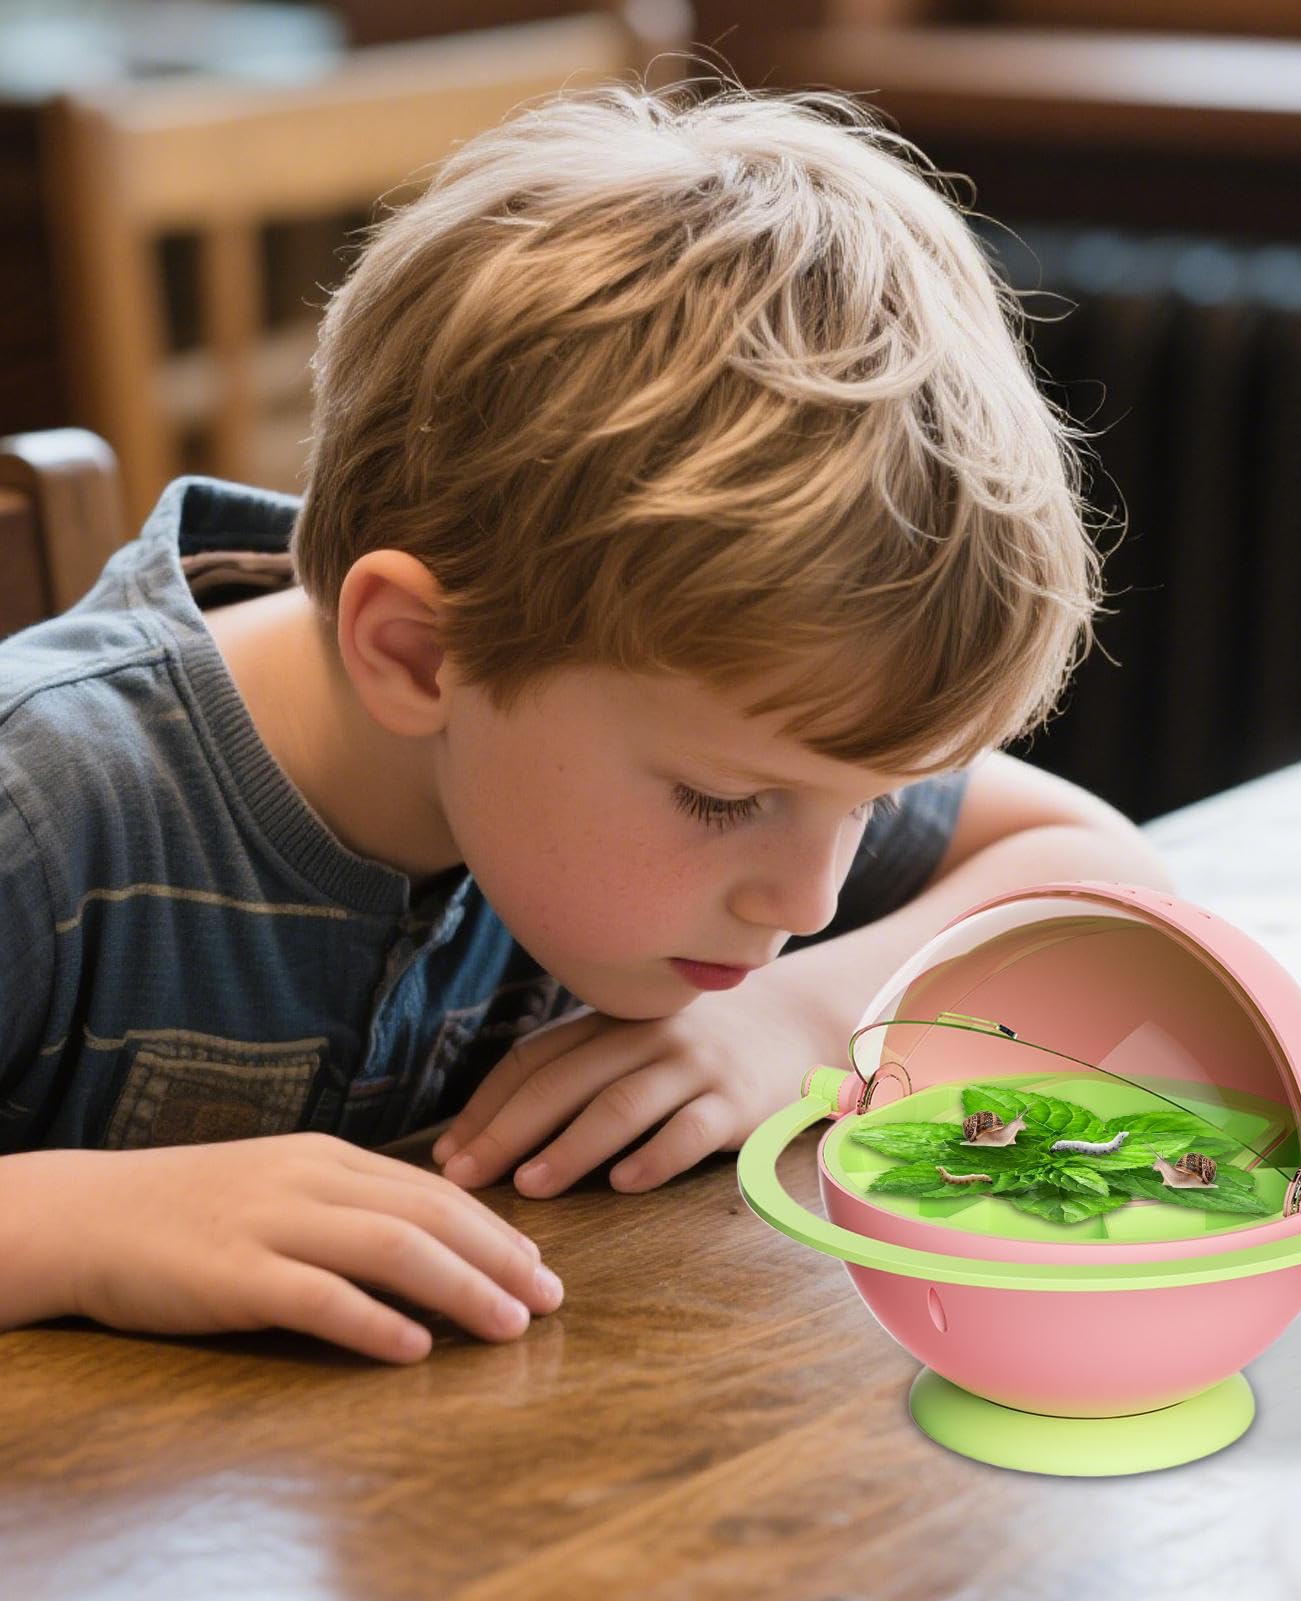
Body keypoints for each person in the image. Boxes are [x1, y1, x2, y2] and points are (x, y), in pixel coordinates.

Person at [0, 74, 1172, 1364]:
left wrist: (797, 1022)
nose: (807, 905)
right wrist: (73, 1221)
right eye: (724, 801)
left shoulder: (634, 725)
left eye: (874, 807)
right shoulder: (41, 809)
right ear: (418, 654)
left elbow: (1105, 888)